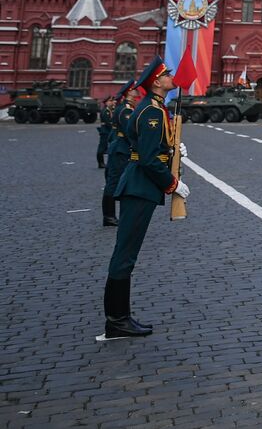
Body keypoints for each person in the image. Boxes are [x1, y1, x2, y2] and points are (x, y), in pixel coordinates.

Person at [103, 58, 189, 339]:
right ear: (156, 82)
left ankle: (119, 317)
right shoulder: (151, 112)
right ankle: (117, 320)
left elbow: (144, 144)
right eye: (168, 75)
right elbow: (149, 159)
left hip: (139, 186)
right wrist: (172, 184)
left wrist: (173, 148)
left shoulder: (155, 108)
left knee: (126, 253)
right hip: (140, 187)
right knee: (125, 254)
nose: (172, 77)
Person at [101, 81, 138, 227]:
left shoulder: (124, 108)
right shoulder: (125, 111)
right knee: (113, 182)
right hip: (120, 150)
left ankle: (114, 215)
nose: (137, 92)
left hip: (119, 148)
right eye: (134, 90)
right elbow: (129, 132)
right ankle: (109, 216)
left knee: (119, 181)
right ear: (129, 92)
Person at [96, 95, 113, 169]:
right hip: (105, 131)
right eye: (110, 101)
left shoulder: (109, 110)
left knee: (105, 147)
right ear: (106, 102)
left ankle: (102, 162)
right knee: (102, 147)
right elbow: (108, 122)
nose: (111, 103)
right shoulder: (105, 111)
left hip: (107, 130)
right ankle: (100, 163)